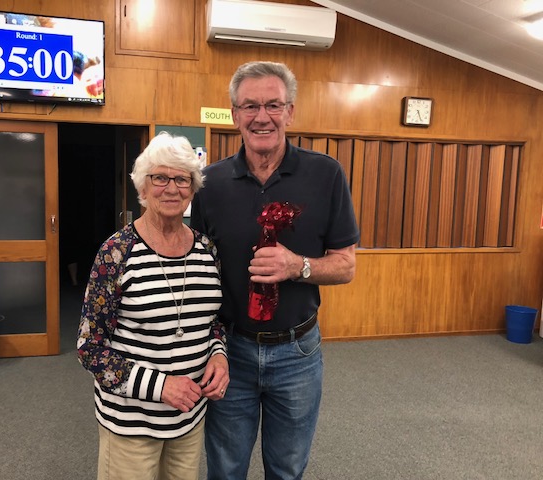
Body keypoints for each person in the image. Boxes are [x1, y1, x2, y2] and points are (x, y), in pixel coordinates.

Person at [191, 61, 360, 480]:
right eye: (249, 106)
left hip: (297, 352)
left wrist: (296, 265)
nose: (261, 116)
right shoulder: (209, 184)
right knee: (225, 468)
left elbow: (345, 265)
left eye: (272, 105)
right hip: (230, 351)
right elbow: (195, 270)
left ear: (290, 111)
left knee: (286, 470)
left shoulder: (326, 175)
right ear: (234, 115)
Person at [77, 131, 229, 480]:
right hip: (131, 423)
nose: (172, 188)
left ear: (192, 188)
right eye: (160, 177)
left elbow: (214, 322)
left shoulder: (207, 250)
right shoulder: (116, 253)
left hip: (188, 418)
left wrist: (219, 355)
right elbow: (90, 348)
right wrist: (160, 386)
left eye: (182, 179)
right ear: (142, 187)